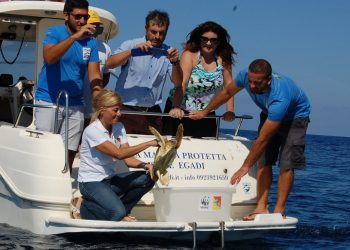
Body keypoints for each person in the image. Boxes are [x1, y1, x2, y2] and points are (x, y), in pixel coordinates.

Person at [190, 59, 311, 220]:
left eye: (258, 83)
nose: (252, 87)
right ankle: (261, 207)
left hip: (295, 117)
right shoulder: (245, 76)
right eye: (250, 82)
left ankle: (279, 209)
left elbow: (263, 139)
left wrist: (245, 167)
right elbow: (227, 93)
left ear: (268, 80)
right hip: (269, 112)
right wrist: (206, 111)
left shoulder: (280, 97)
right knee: (264, 160)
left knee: (286, 163)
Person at [34, 0, 103, 172]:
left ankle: (63, 178)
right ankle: (43, 178)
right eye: (77, 16)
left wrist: (99, 107)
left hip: (76, 103)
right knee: (45, 145)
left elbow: (94, 75)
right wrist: (74, 38)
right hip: (48, 100)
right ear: (66, 15)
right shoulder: (54, 32)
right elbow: (49, 57)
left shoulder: (91, 42)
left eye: (85, 17)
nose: (81, 21)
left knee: (71, 148)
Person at [78, 89, 159, 221]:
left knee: (148, 178)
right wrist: (148, 143)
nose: (119, 114)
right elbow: (119, 154)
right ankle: (85, 207)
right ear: (103, 110)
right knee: (117, 212)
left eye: (119, 109)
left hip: (109, 180)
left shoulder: (119, 127)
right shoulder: (93, 131)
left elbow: (128, 160)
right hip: (90, 183)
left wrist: (146, 165)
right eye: (115, 110)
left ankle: (123, 212)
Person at [106, 9, 183, 135]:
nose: (157, 36)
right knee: (121, 152)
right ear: (145, 28)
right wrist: (132, 52)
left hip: (152, 113)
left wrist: (175, 63)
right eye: (153, 32)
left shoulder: (169, 52)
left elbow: (178, 83)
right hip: (126, 111)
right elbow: (109, 63)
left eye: (162, 33)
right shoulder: (131, 44)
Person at [163, 21, 236, 137]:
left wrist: (230, 111)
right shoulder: (190, 55)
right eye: (204, 39)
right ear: (199, 39)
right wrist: (176, 107)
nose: (208, 43)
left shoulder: (224, 60)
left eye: (213, 40)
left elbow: (229, 87)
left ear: (219, 42)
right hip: (181, 111)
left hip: (207, 113)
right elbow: (182, 83)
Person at [83, 9, 114, 127]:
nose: (94, 28)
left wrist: (96, 93)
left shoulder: (105, 48)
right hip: (74, 105)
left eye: (97, 26)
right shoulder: (73, 44)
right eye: (92, 25)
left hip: (92, 107)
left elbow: (106, 76)